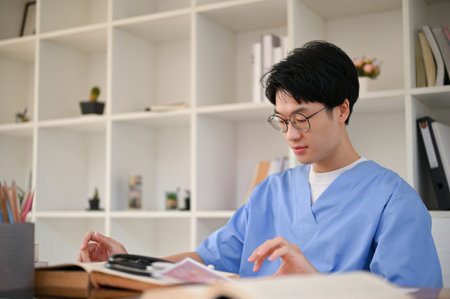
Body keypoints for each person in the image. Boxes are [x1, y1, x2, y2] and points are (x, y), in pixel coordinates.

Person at [78, 40, 442, 287]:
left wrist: (314, 284)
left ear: (342, 109)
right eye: (281, 120)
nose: (290, 133)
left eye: (301, 117)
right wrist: (130, 262)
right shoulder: (272, 191)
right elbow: (206, 260)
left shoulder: (394, 201)